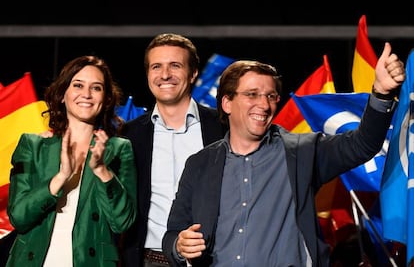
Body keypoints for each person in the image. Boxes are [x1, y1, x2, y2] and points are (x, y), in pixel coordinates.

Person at [162, 42, 406, 267]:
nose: (264, 104)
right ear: (227, 103)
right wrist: (180, 246)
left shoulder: (303, 152)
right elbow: (172, 234)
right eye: (252, 94)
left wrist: (381, 94)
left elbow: (361, 144)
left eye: (271, 96)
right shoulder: (200, 163)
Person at [6, 55, 137, 267]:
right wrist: (60, 177)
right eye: (78, 85)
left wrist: (102, 171)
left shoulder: (119, 149)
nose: (86, 94)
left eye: (96, 88)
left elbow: (122, 222)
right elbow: (19, 217)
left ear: (105, 99)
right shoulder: (33, 145)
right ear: (62, 95)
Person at [119, 33, 227, 267]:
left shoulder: (223, 127)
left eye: (175, 65)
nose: (165, 74)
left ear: (193, 73)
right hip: (150, 260)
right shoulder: (128, 135)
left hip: (216, 259)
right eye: (156, 66)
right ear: (148, 74)